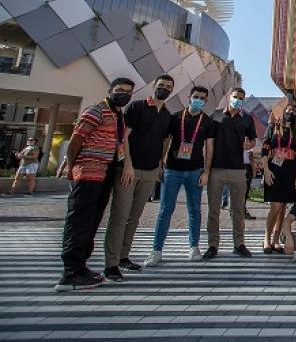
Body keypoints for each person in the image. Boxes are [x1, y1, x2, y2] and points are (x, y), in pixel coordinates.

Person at [54, 77, 135, 291]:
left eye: (128, 91)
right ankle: (70, 272)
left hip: (105, 173)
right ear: (110, 90)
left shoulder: (118, 115)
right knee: (79, 221)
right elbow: (75, 140)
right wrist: (71, 167)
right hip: (88, 173)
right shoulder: (96, 111)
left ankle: (81, 268)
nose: (124, 94)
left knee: (93, 220)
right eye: (119, 90)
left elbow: (120, 143)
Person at [104, 75, 173, 281]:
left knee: (134, 217)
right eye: (161, 86)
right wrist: (126, 164)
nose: (164, 89)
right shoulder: (137, 107)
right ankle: (111, 264)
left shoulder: (166, 115)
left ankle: (124, 256)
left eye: (168, 87)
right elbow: (124, 136)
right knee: (120, 216)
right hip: (129, 171)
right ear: (154, 86)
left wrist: (161, 163)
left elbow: (164, 141)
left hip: (151, 171)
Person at [144, 86, 215, 267]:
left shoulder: (207, 122)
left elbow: (209, 148)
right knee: (165, 210)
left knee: (195, 210)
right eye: (196, 96)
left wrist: (206, 171)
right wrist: (161, 163)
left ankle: (193, 246)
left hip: (195, 170)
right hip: (173, 169)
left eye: (202, 98)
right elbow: (166, 140)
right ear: (189, 98)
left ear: (206, 102)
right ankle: (156, 250)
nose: (198, 100)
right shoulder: (175, 117)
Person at [204, 87, 257, 260]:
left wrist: (250, 145)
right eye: (235, 97)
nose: (238, 100)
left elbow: (253, 140)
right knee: (214, 210)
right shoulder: (216, 116)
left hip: (238, 169)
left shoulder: (247, 119)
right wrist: (207, 169)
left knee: (238, 210)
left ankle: (239, 244)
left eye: (241, 98)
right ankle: (212, 245)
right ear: (229, 97)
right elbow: (208, 145)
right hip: (217, 169)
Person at [262, 103, 296, 254]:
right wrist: (265, 170)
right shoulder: (272, 128)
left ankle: (276, 240)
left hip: (289, 170)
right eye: (289, 110)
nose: (290, 113)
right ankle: (266, 238)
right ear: (284, 112)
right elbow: (265, 150)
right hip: (274, 169)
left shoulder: (294, 132)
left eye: (293, 111)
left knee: (283, 207)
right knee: (275, 207)